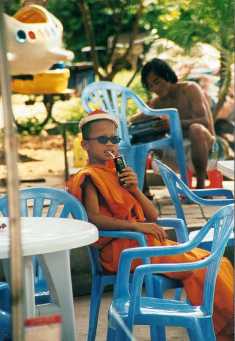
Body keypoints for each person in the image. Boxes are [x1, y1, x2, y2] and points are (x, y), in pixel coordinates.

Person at [67, 110, 233, 341]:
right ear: (85, 145)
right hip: (122, 250)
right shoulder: (89, 177)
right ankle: (224, 328)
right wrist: (136, 227)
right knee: (203, 266)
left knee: (218, 261)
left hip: (143, 244)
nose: (110, 145)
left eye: (114, 139)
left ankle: (224, 324)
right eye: (102, 140)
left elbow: (152, 215)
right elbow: (93, 218)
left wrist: (134, 188)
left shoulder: (119, 172)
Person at [130, 58, 216, 189]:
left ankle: (200, 186)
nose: (155, 88)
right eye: (150, 86)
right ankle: (144, 189)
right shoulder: (157, 102)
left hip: (204, 144)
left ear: (167, 75)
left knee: (196, 129)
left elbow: (204, 121)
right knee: (140, 138)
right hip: (175, 149)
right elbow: (139, 117)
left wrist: (174, 123)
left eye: (157, 82)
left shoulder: (190, 89)